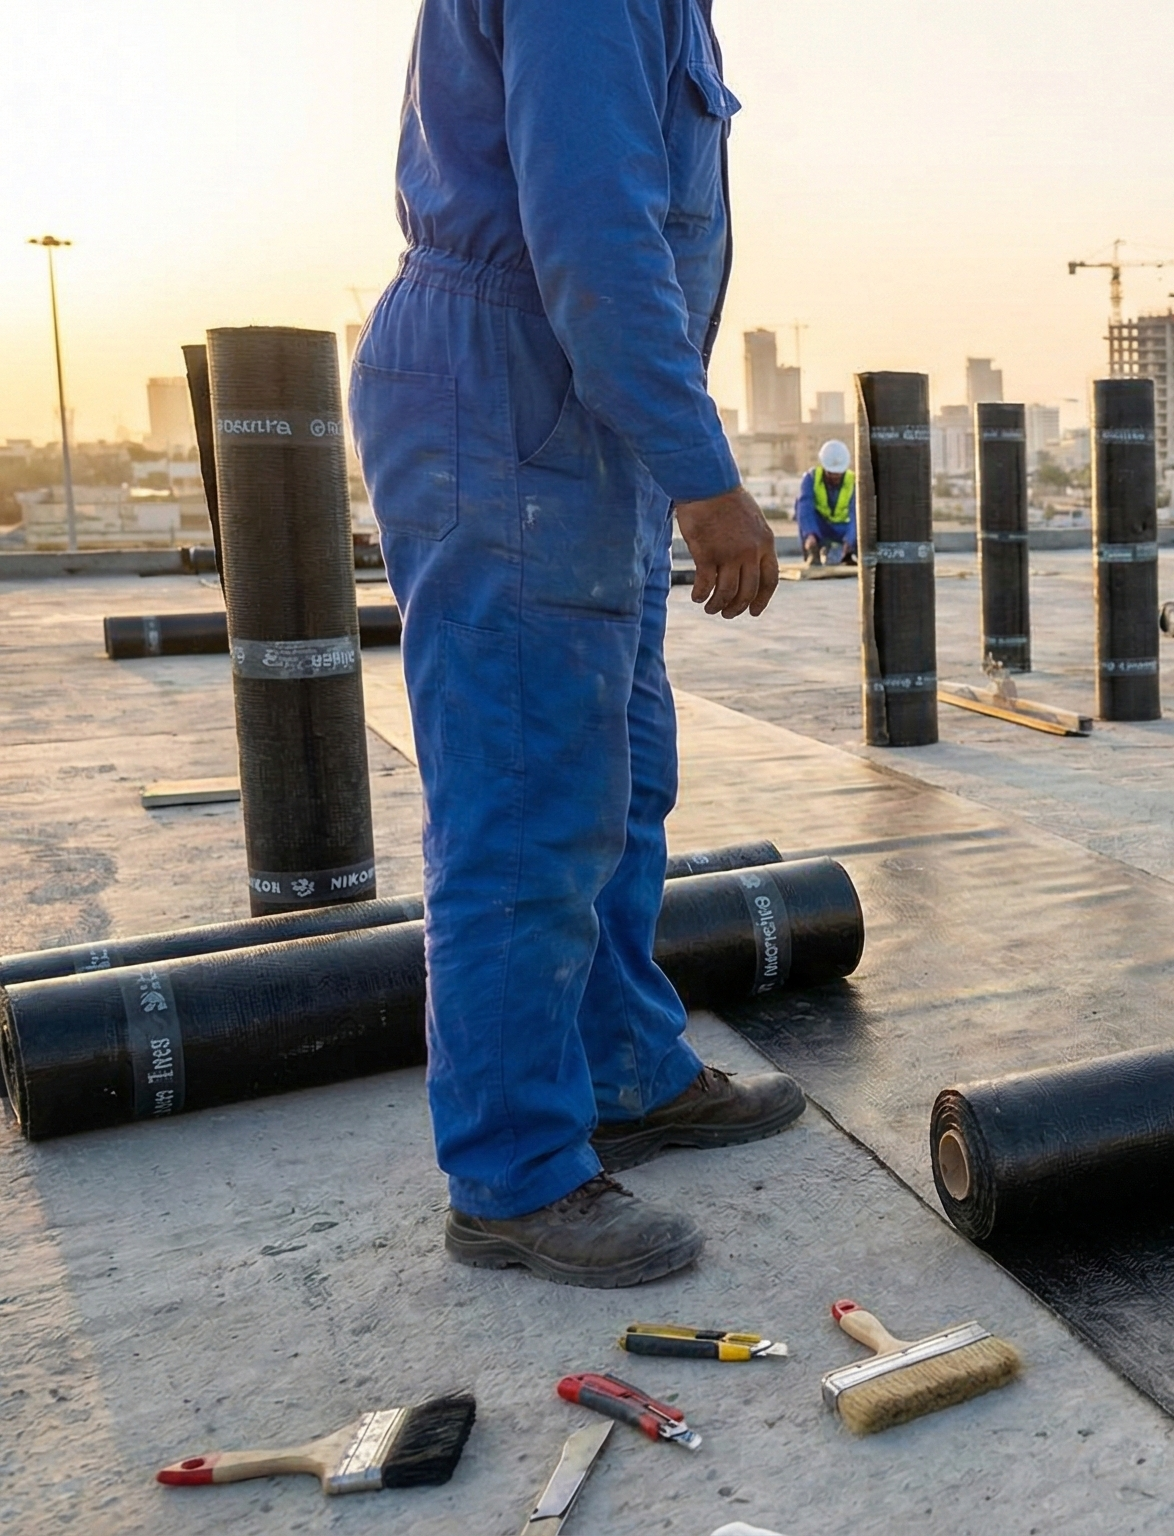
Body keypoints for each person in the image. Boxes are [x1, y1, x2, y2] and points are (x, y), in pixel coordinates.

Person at [349, 0, 805, 1290]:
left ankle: (623, 1073)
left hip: (562, 402)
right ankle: (514, 1176)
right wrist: (704, 476)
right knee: (525, 798)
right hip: (511, 386)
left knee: (620, 775)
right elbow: (598, 234)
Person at [796, 438, 858, 564]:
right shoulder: (811, 478)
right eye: (831, 473)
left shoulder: (853, 481)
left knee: (859, 529)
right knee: (799, 505)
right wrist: (810, 535)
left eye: (838, 473)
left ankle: (848, 553)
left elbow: (856, 513)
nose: (835, 477)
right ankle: (813, 550)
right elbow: (805, 508)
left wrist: (850, 540)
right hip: (820, 527)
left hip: (843, 528)